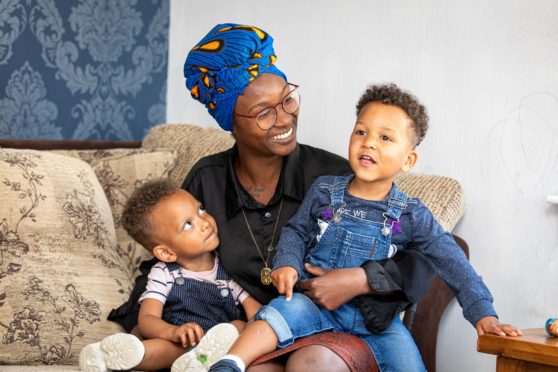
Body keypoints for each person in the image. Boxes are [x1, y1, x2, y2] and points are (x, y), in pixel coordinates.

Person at [108, 23, 431, 371]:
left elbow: (421, 256)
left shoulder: (335, 177)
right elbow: (165, 259)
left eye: (287, 99)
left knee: (310, 362)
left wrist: (361, 279)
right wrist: (156, 330)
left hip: (326, 328)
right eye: (264, 113)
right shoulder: (209, 180)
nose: (284, 118)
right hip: (244, 333)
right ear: (231, 122)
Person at [206, 83, 523, 372]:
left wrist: (484, 314)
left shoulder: (412, 215)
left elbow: (452, 263)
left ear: (408, 160)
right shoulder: (324, 191)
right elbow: (296, 232)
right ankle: (230, 363)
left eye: (385, 138)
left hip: (377, 323)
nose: (368, 143)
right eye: (361, 132)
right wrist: (286, 263)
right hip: (314, 304)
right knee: (277, 314)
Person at [80, 179, 261, 371]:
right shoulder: (164, 273)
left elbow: (256, 314)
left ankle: (201, 360)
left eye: (200, 210)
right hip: (180, 345)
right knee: (164, 349)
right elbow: (147, 319)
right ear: (166, 253)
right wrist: (173, 332)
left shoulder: (228, 267)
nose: (205, 223)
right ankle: (106, 358)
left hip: (219, 345)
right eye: (188, 225)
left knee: (239, 326)